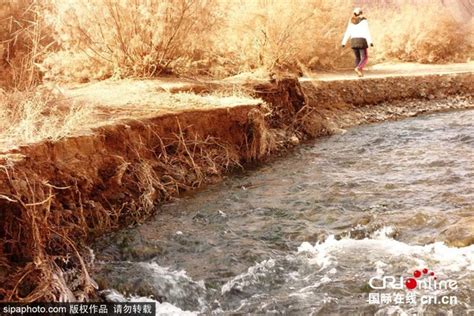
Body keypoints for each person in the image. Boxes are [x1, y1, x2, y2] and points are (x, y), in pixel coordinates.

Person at [341, 7, 373, 77]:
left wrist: (343, 43)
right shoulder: (364, 21)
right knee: (365, 57)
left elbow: (348, 32)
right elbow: (367, 31)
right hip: (361, 41)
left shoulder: (351, 21)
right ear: (361, 13)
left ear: (354, 14)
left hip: (353, 41)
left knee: (357, 57)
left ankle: (359, 73)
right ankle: (359, 68)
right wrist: (370, 41)